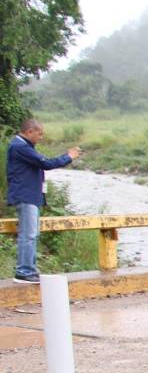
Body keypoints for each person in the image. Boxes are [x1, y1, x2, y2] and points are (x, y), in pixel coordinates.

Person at [6, 119, 80, 284]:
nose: (41, 137)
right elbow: (45, 163)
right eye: (39, 134)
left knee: (32, 234)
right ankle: (23, 271)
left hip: (30, 196)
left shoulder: (23, 147)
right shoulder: (20, 147)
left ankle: (29, 270)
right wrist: (68, 157)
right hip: (25, 196)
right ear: (29, 131)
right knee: (28, 234)